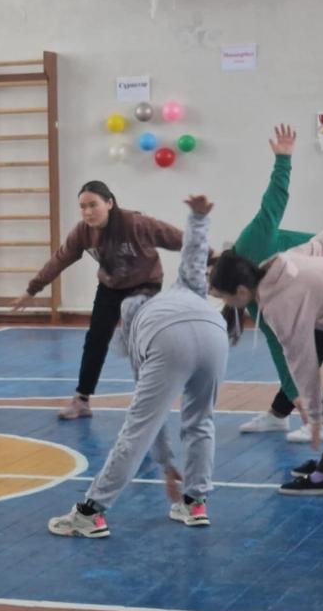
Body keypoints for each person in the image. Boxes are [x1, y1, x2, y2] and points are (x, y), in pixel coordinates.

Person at [48, 195, 226, 538]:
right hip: (213, 331)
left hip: (168, 339)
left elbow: (150, 424)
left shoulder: (135, 324)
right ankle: (195, 504)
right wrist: (198, 218)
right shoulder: (185, 287)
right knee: (202, 421)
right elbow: (193, 253)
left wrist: (166, 464)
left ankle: (91, 512)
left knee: (137, 429)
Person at [11, 181, 184, 420]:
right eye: (83, 207)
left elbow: (177, 238)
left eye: (93, 205)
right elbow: (59, 259)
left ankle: (149, 399)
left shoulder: (135, 223)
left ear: (109, 203)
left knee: (138, 331)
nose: (88, 212)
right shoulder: (83, 232)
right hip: (111, 286)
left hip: (145, 285)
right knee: (95, 340)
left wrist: (212, 257)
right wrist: (32, 289)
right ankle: (81, 400)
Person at [223, 125, 323, 444]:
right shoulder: (253, 295)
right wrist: (296, 394)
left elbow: (274, 201)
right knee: (312, 345)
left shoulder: (253, 243)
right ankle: (280, 414)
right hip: (314, 281)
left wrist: (283, 159)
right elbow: (280, 345)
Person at [209, 225, 323, 494]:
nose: (226, 303)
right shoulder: (279, 262)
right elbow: (320, 243)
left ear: (241, 291)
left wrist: (313, 415)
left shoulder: (279, 305)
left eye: (225, 297)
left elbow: (302, 359)